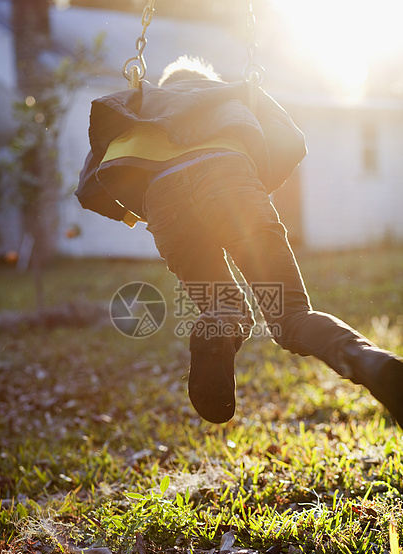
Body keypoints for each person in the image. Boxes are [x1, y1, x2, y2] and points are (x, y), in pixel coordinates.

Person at [76, 56, 403, 427]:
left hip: (164, 202)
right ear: (208, 81)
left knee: (223, 309)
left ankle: (220, 321)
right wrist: (252, 184)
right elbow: (292, 140)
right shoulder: (231, 95)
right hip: (232, 187)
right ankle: (372, 363)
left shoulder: (140, 106)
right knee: (291, 317)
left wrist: (138, 212)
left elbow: (90, 188)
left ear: (164, 85)